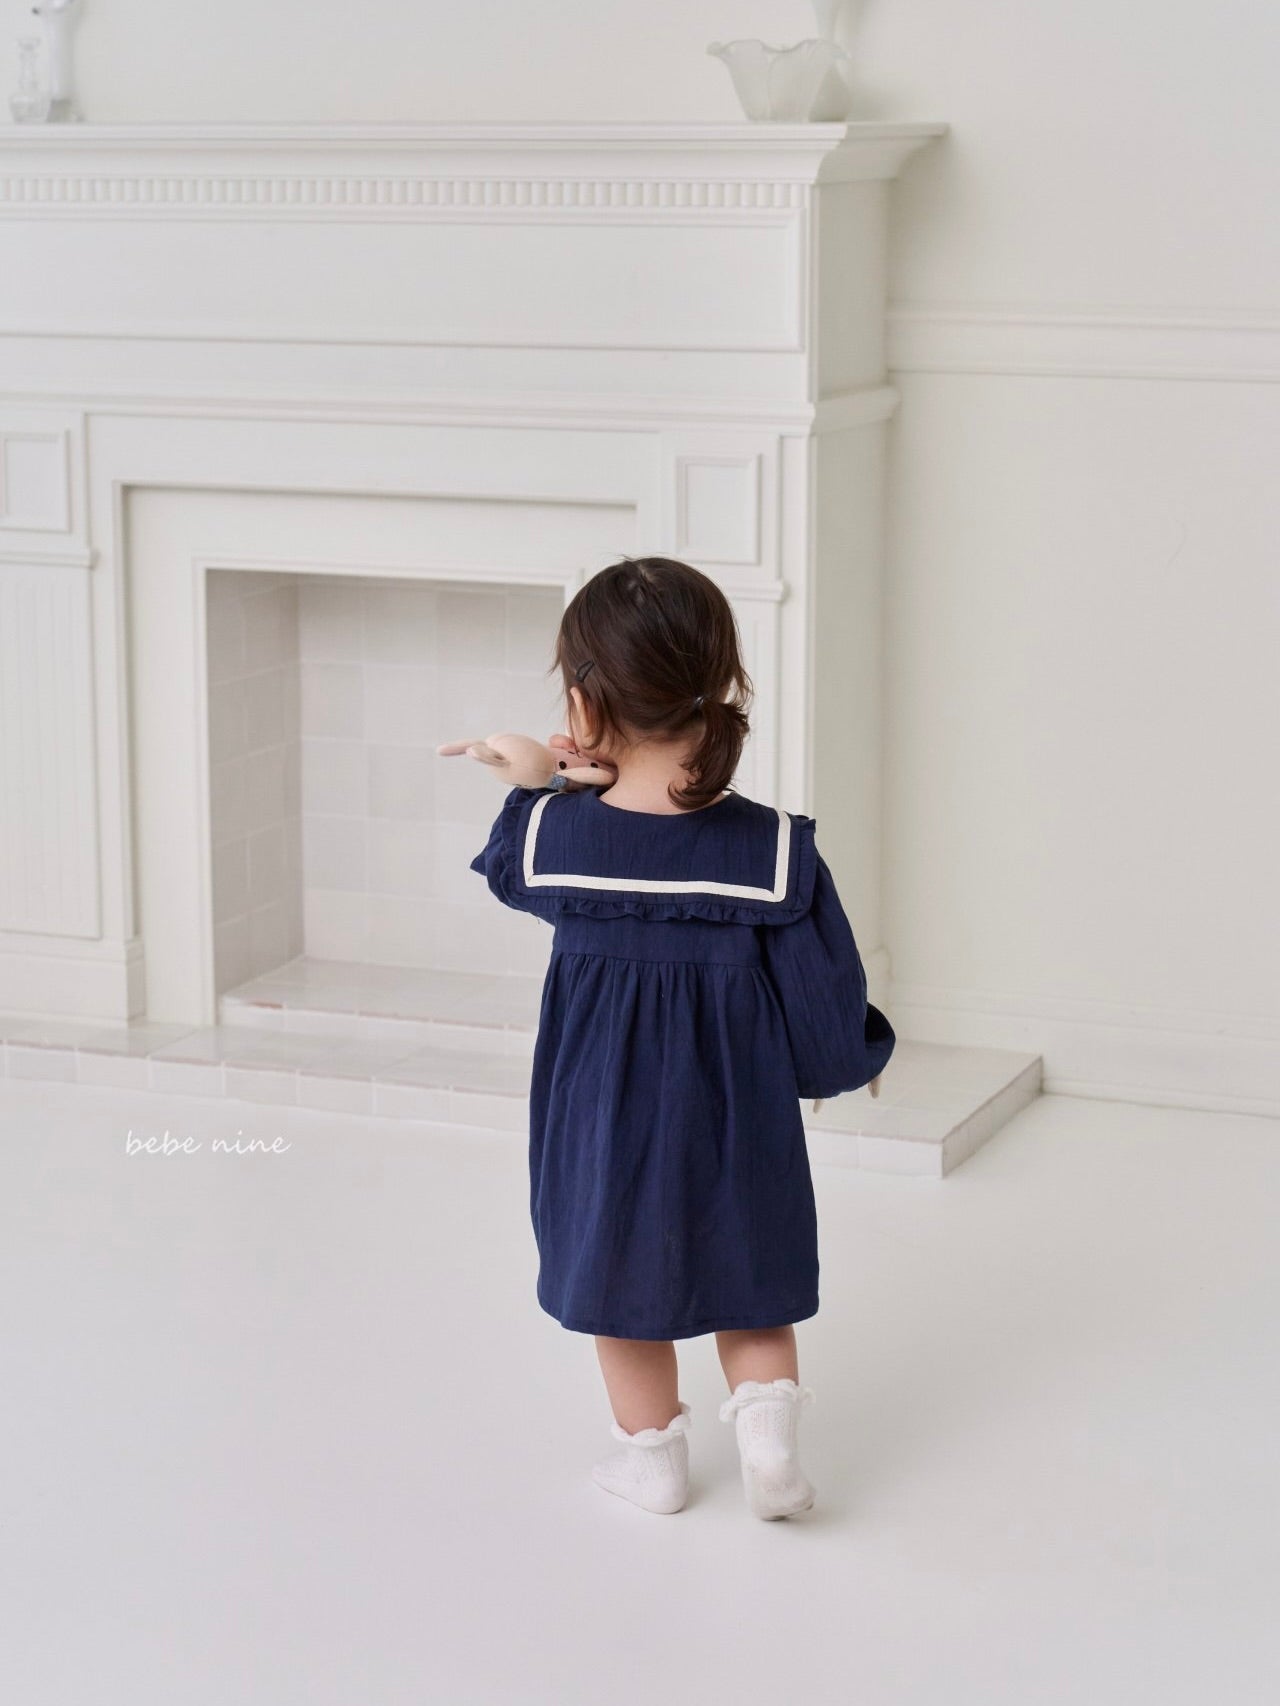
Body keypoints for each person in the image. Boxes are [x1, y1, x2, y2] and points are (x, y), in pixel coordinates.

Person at [469, 555, 895, 1519]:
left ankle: (651, 1461)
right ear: (718, 687)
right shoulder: (772, 848)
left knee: (618, 1279)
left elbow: (504, 869)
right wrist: (843, 1063)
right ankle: (768, 1444)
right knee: (752, 1272)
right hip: (738, 1105)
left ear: (583, 704)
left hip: (600, 1113)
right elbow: (825, 991)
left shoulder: (556, 839)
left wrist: (540, 783)